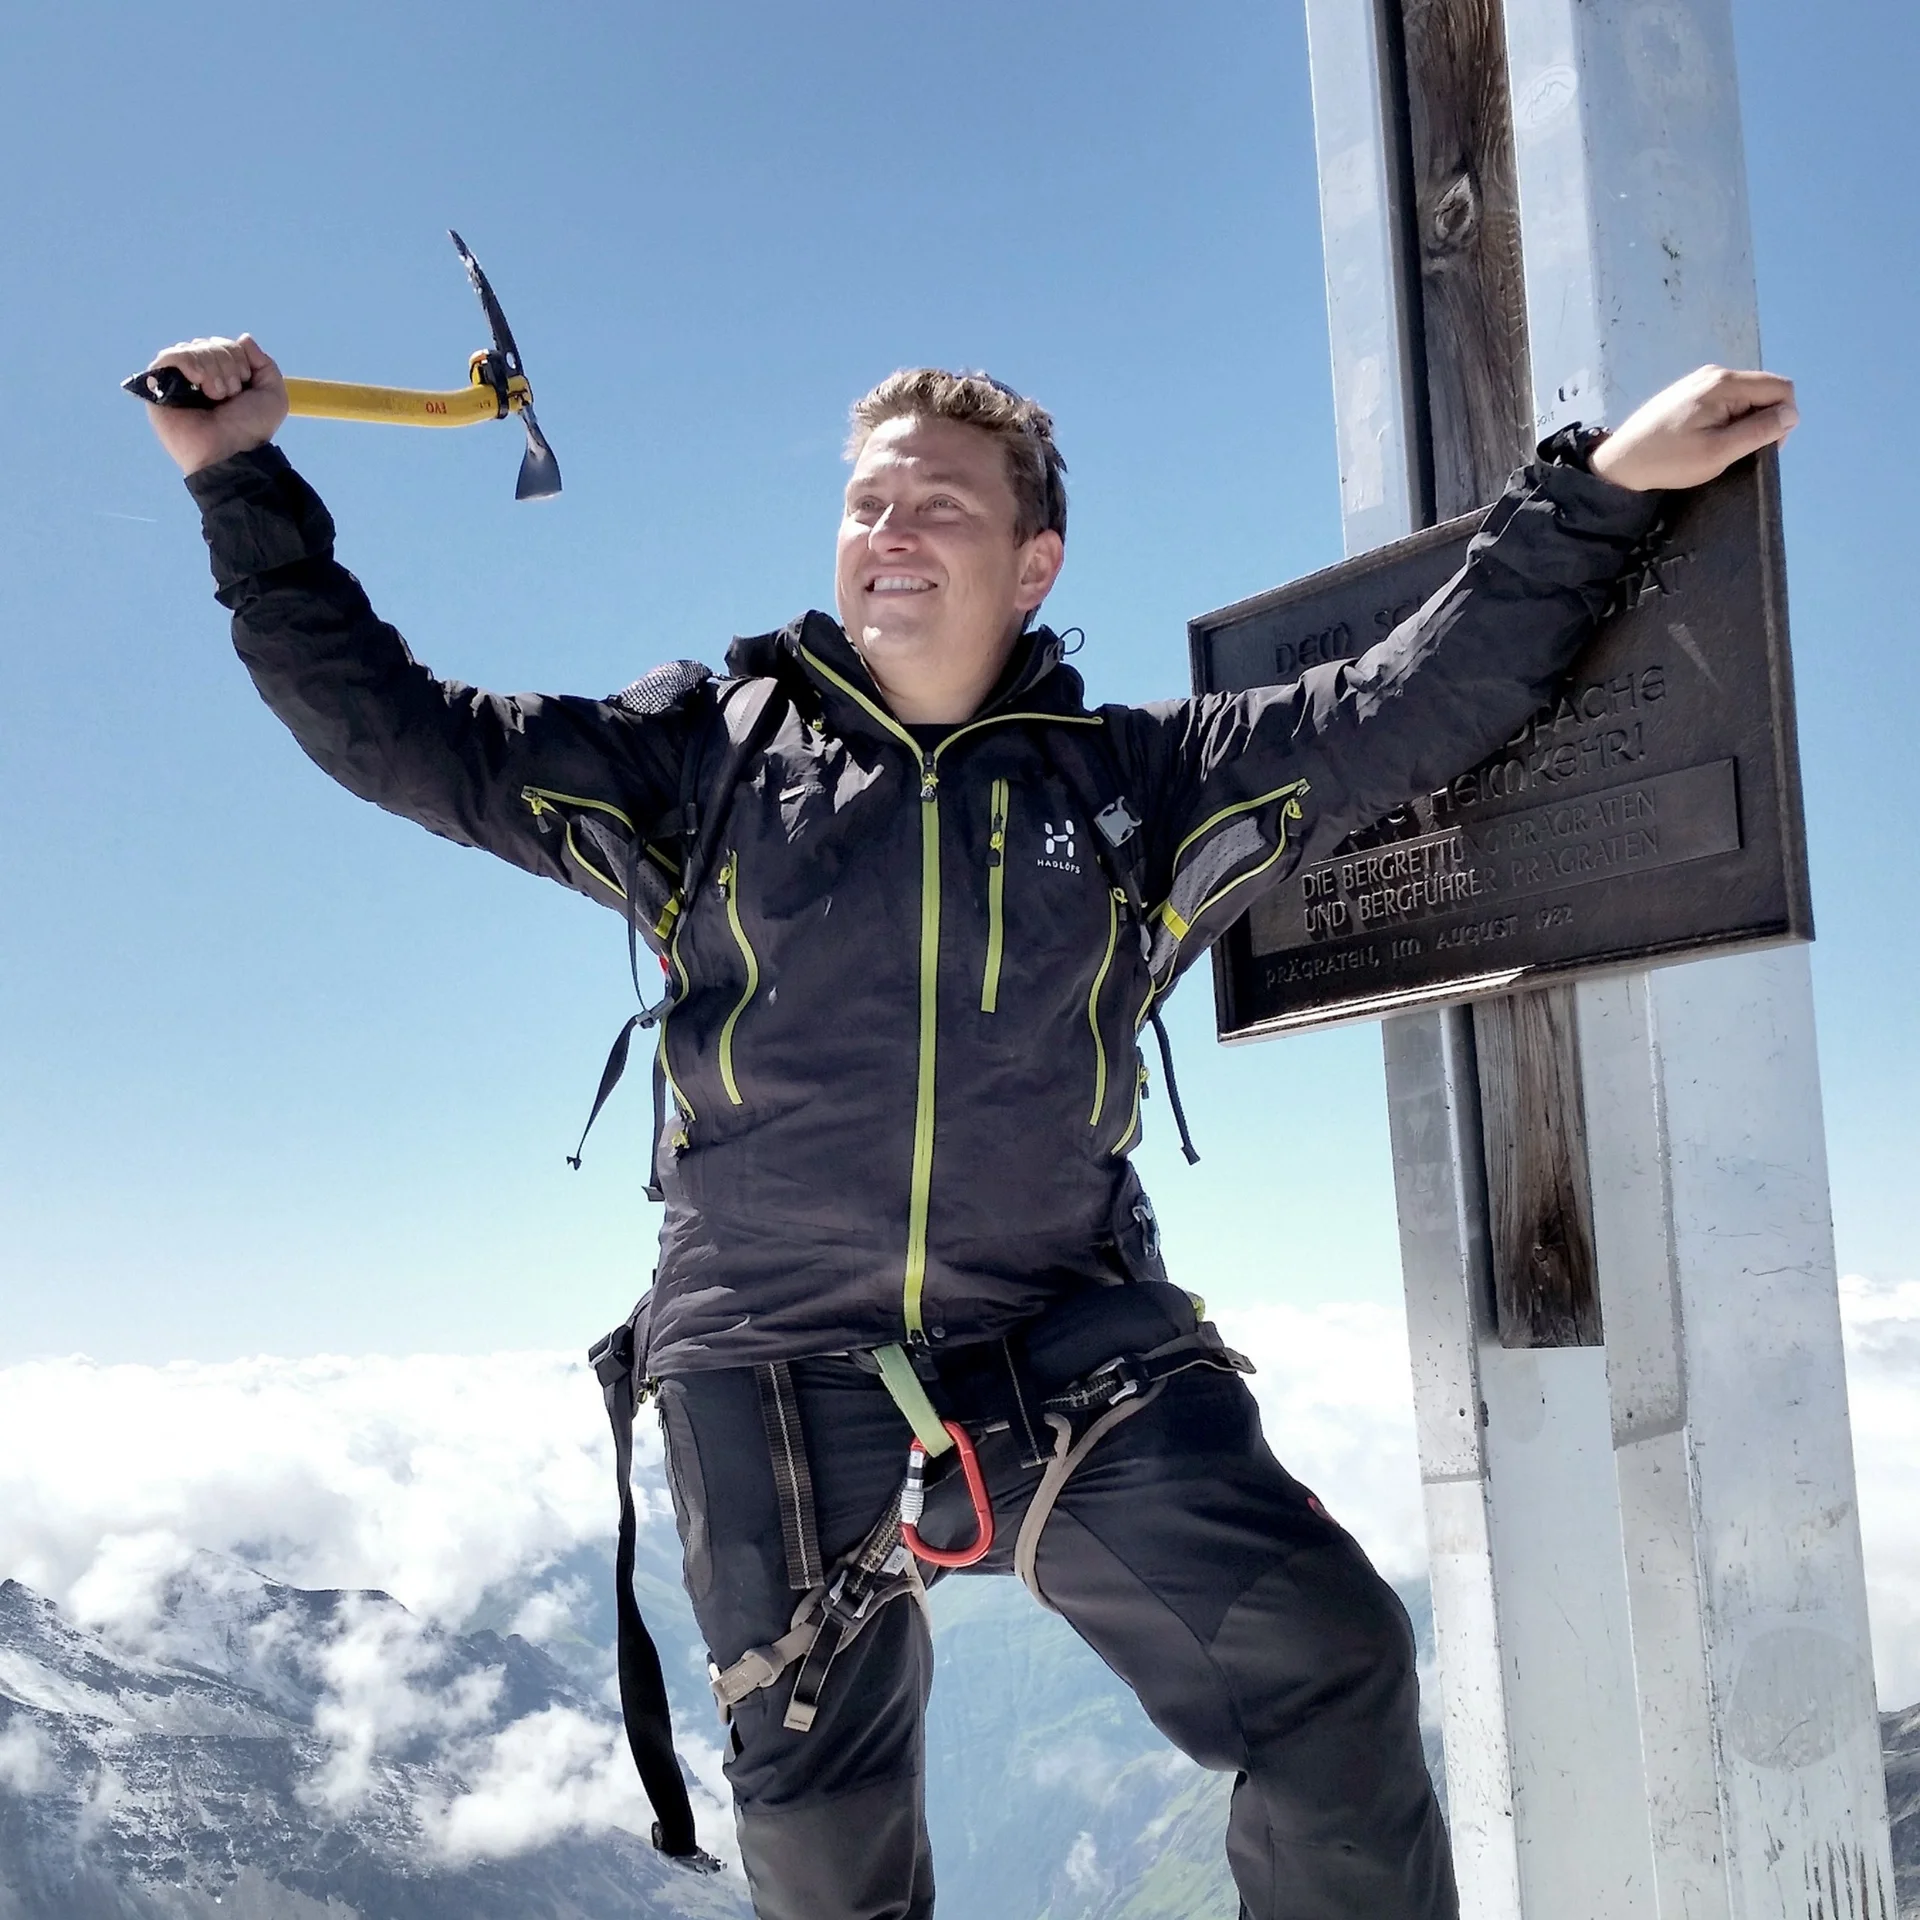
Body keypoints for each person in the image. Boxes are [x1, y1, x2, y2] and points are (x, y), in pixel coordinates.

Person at [143, 337, 1795, 1920]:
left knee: (1330, 1662)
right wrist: (239, 482)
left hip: (1064, 1335)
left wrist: (1602, 488)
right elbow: (400, 735)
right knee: (829, 1868)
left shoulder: (1137, 783)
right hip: (770, 1356)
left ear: (1035, 563)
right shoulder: (700, 762)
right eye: (867, 501)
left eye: (938, 504)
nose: (890, 530)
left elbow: (1406, 705)